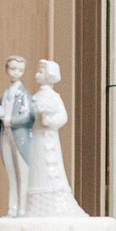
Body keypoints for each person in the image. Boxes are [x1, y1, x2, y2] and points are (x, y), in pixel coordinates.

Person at [25, 59, 86, 217]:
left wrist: (50, 121)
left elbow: (63, 117)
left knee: (51, 166)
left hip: (49, 139)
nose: (36, 75)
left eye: (40, 72)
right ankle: (34, 204)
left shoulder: (54, 97)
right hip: (36, 140)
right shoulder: (34, 97)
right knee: (36, 167)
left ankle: (54, 198)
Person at [0, 55, 35, 217]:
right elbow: (0, 115)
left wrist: (10, 121)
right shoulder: (5, 95)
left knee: (22, 175)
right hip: (7, 137)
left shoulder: (24, 95)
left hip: (21, 138)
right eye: (13, 69)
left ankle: (23, 209)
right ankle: (12, 208)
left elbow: (29, 116)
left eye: (20, 70)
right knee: (11, 174)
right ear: (7, 70)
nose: (16, 72)